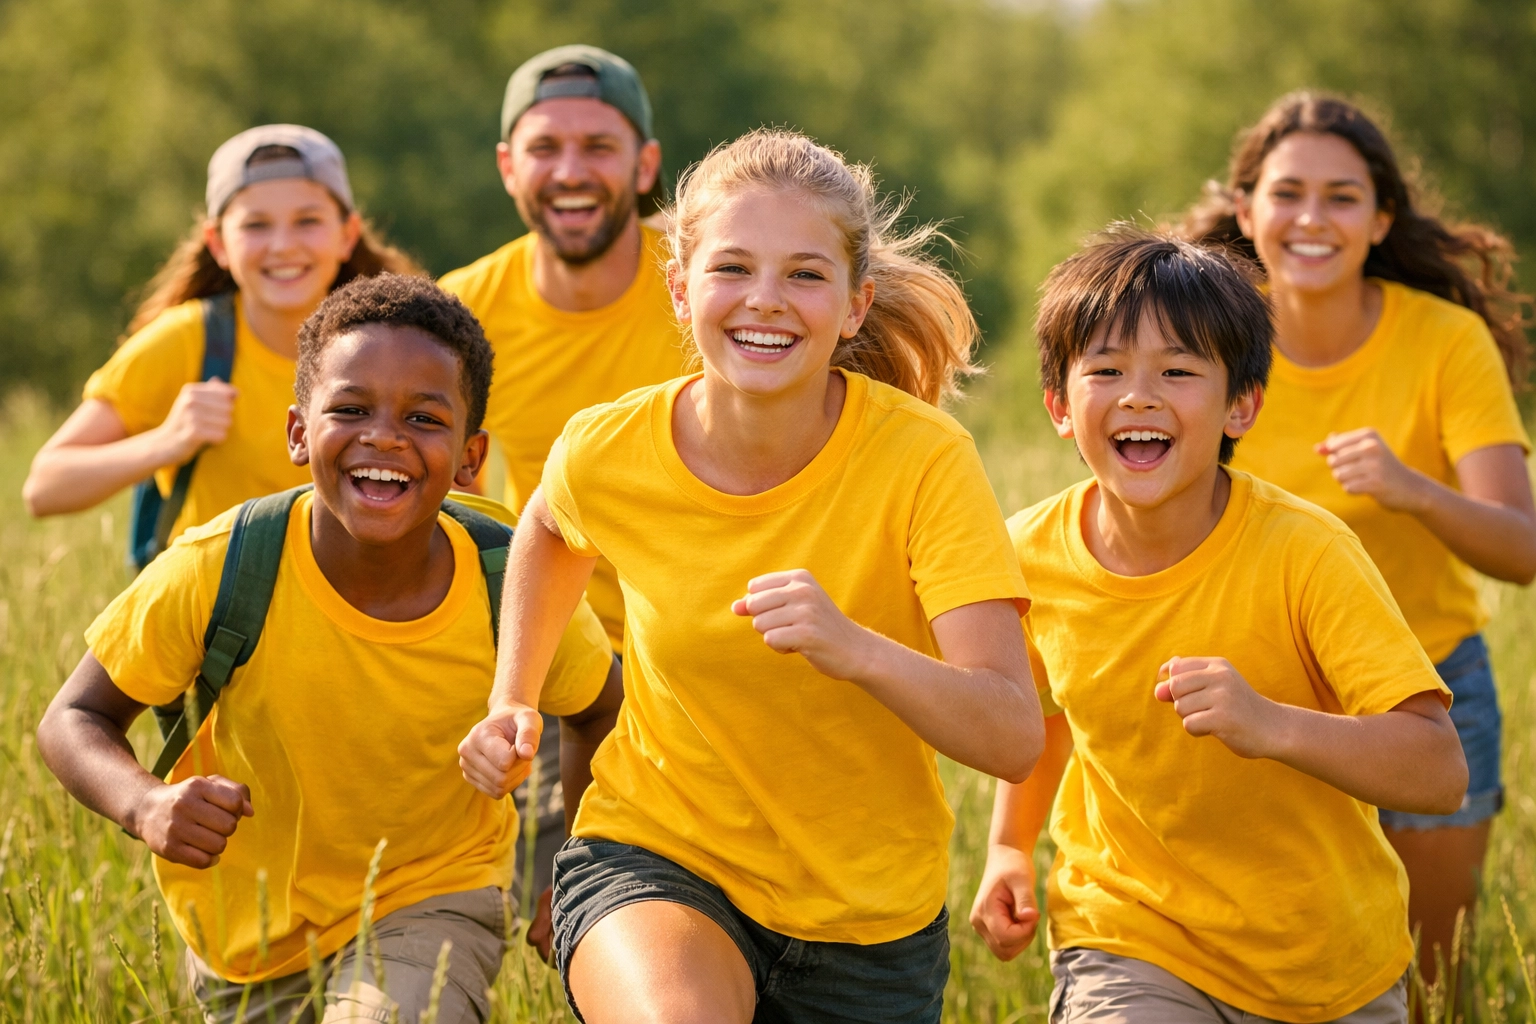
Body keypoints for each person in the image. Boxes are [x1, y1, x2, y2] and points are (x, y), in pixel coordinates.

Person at [458, 129, 1044, 1023]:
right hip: (657, 858)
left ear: (856, 305)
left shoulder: (924, 462)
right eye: (732, 268)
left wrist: (858, 649)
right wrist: (514, 696)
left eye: (806, 275)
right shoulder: (611, 446)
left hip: (868, 923)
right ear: (681, 287)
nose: (765, 302)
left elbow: (1011, 733)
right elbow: (548, 525)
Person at [36, 275, 621, 1023]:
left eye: (423, 416)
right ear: (297, 432)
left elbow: (601, 707)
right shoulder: (220, 564)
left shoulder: (510, 579)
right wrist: (147, 803)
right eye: (350, 409)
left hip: (435, 895)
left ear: (470, 456)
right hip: (245, 941)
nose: (384, 435)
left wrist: (571, 869)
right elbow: (74, 717)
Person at [969, 229, 1467, 1023]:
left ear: (1243, 403)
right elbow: (1045, 720)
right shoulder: (1027, 553)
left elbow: (1439, 770)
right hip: (1128, 935)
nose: (1138, 396)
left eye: (1176, 370)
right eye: (1106, 370)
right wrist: (1007, 849)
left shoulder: (1307, 552)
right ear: (1061, 407)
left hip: (1325, 963)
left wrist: (1271, 724)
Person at [1179, 92, 1536, 979]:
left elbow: (1522, 548)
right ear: (1246, 207)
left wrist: (1414, 492)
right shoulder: (1202, 337)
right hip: (1256, 694)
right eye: (1288, 192)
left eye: (1342, 197)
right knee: (1269, 972)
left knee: (1430, 978)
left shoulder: (1444, 342)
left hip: (1427, 693)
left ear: (1381, 219)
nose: (1311, 218)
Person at [439, 44, 689, 940]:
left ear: (646, 165)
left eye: (599, 145)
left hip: (703, 660)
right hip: (548, 671)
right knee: (551, 928)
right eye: (545, 148)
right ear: (509, 167)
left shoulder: (711, 289)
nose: (572, 172)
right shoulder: (459, 315)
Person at [23, 125, 422, 559]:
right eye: (256, 225)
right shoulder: (188, 340)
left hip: (356, 615)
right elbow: (44, 487)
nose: (283, 245)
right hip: (215, 615)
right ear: (218, 244)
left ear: (347, 234)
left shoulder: (399, 345)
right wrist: (167, 441)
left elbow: (457, 496)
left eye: (307, 221)